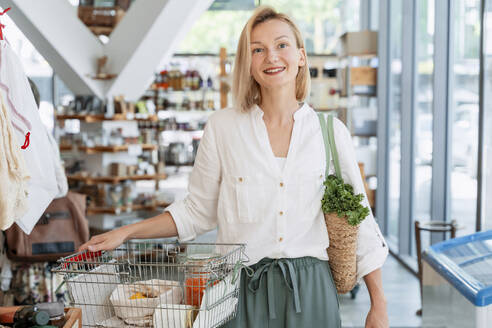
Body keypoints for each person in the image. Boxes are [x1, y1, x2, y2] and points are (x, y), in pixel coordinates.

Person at [80, 6, 389, 328]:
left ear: (300, 56)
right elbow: (197, 211)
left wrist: (378, 305)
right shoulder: (223, 127)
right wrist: (126, 233)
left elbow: (361, 221)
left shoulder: (330, 132)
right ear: (249, 64)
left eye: (281, 45)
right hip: (240, 289)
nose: (271, 57)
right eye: (258, 49)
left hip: (310, 290)